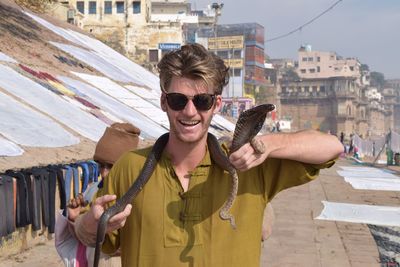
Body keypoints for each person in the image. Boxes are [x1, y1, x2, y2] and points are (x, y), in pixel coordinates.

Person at [73, 43, 343, 267]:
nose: (190, 112)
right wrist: (91, 222)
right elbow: (88, 236)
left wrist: (269, 145)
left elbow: (331, 147)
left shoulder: (249, 162)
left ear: (216, 104)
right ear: (164, 102)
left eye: (201, 101)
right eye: (179, 100)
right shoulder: (130, 167)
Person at [55, 122, 140, 267]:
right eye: (101, 165)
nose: (104, 173)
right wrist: (76, 219)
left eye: (111, 166)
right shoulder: (94, 191)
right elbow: (86, 239)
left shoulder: (139, 195)